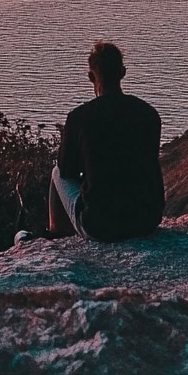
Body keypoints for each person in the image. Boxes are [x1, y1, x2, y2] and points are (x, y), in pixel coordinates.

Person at [49, 41, 164, 242]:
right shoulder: (148, 113)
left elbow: (68, 171)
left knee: (57, 172)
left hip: (100, 226)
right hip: (147, 221)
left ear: (90, 77)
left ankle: (58, 237)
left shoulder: (79, 117)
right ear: (123, 72)